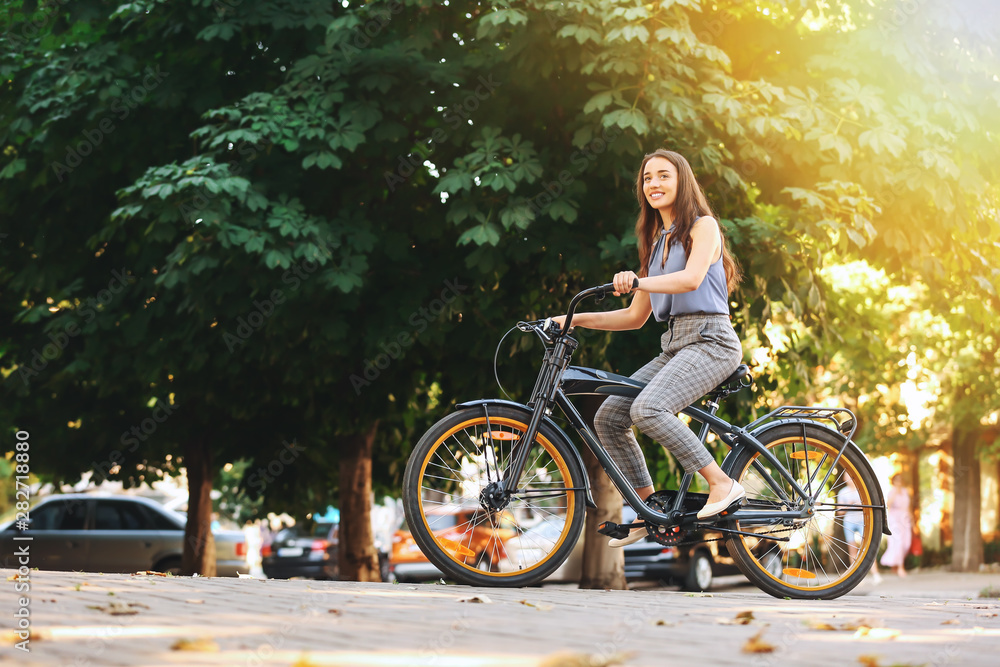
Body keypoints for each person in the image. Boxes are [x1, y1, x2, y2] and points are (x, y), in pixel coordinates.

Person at [553, 149, 744, 547]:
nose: (654, 184)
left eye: (663, 176)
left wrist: (638, 282)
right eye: (647, 179)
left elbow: (691, 280)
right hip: (675, 344)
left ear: (682, 182)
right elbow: (633, 317)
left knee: (649, 408)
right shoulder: (656, 245)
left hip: (712, 340)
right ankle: (648, 511)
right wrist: (571, 319)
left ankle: (722, 484)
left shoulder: (703, 227)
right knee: (609, 417)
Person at [837, 474, 881, 582]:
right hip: (849, 522)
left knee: (867, 547)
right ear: (844, 478)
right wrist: (849, 505)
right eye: (848, 477)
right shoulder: (842, 492)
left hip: (862, 521)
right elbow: (839, 511)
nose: (850, 479)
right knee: (852, 549)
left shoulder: (861, 490)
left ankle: (875, 574)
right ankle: (855, 577)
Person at [880, 472, 912, 576]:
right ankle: (900, 567)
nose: (899, 482)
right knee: (898, 542)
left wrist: (913, 521)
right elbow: (888, 505)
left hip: (905, 519)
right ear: (893, 481)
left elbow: (908, 507)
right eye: (897, 480)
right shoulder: (891, 492)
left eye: (900, 480)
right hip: (895, 520)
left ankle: (895, 563)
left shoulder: (905, 491)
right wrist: (895, 492)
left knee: (907, 543)